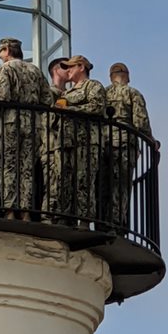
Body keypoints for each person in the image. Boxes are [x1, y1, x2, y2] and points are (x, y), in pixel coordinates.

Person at [0, 37, 53, 220]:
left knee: (9, 166)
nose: (0, 56)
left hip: (11, 122)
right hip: (33, 123)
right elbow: (48, 100)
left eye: (1, 52)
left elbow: (3, 96)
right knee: (27, 167)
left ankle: (10, 210)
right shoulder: (35, 70)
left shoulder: (6, 69)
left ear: (7, 50)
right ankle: (26, 211)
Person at [102, 62, 159, 231]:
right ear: (127, 76)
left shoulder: (103, 93)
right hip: (125, 143)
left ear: (111, 77)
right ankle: (118, 222)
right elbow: (141, 122)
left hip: (105, 142)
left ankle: (101, 221)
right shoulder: (133, 93)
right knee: (121, 185)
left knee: (105, 183)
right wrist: (151, 139)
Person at [57, 55, 106, 228]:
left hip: (86, 140)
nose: (67, 71)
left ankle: (84, 220)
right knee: (65, 179)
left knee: (84, 179)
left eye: (70, 67)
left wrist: (70, 109)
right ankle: (65, 216)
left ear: (81, 67)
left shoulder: (93, 86)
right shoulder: (66, 92)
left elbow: (97, 107)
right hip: (67, 141)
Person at [42, 57, 72, 222]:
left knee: (66, 183)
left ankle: (64, 217)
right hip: (52, 144)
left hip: (66, 144)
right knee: (53, 182)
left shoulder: (70, 95)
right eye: (65, 67)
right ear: (55, 70)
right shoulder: (49, 93)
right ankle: (49, 216)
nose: (69, 70)